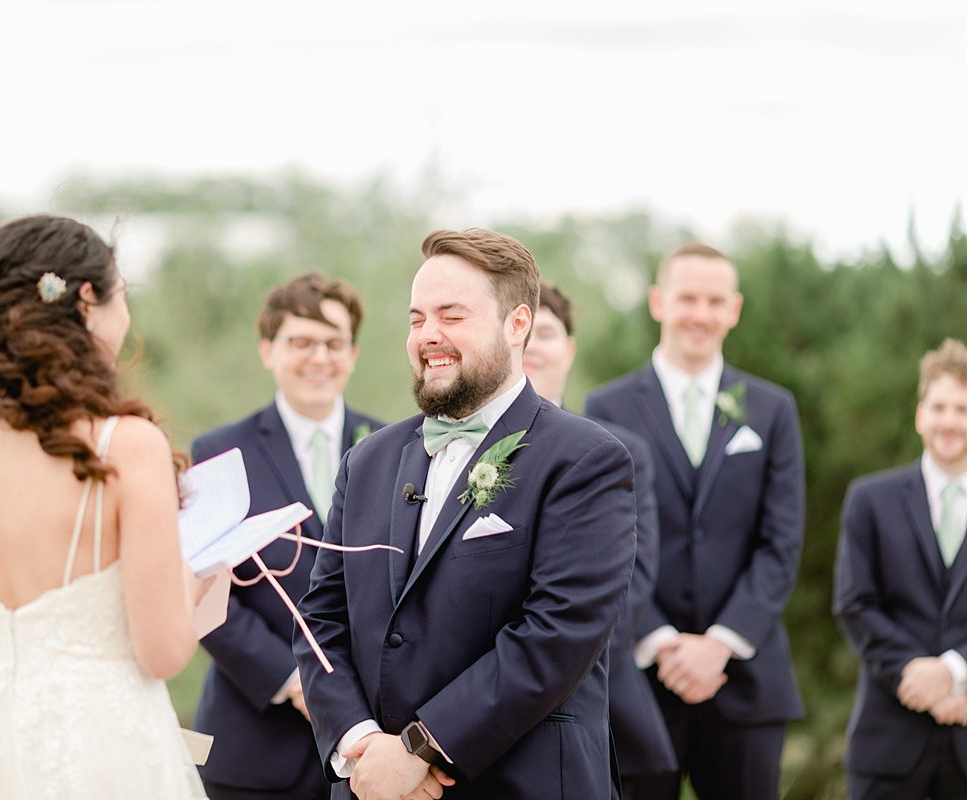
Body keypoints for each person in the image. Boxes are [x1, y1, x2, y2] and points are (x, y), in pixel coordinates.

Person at [295, 228, 637, 799]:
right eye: (416, 318)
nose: (429, 336)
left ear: (517, 324)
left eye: (452, 316)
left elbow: (556, 634)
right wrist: (360, 746)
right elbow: (321, 618)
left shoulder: (586, 460)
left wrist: (419, 748)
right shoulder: (368, 460)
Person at [0, 215, 210, 799]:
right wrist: (199, 575)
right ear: (90, 300)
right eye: (122, 294)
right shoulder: (124, 446)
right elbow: (165, 650)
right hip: (103, 757)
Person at [586, 242, 805, 800]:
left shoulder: (772, 409)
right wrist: (660, 640)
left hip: (745, 678)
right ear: (659, 302)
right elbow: (605, 543)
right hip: (638, 677)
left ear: (734, 309)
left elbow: (780, 542)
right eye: (688, 298)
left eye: (715, 301)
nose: (700, 315)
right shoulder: (605, 409)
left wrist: (720, 644)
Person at [191, 271, 384, 800]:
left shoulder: (394, 447)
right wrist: (294, 680)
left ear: (353, 353)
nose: (318, 357)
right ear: (267, 350)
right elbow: (202, 588)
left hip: (371, 744)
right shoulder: (219, 452)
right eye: (300, 341)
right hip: (256, 743)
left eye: (333, 343)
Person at [524, 281, 678, 795]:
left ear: (569, 348)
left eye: (545, 333)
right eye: (521, 332)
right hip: (487, 674)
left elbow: (638, 571)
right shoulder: (453, 448)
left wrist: (568, 650)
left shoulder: (619, 450)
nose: (532, 348)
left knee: (647, 769)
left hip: (599, 665)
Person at [834, 338, 967, 799]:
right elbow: (855, 604)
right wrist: (917, 673)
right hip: (887, 743)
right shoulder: (870, 499)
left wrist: (954, 671)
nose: (950, 421)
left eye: (962, 409)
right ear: (920, 414)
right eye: (939, 407)